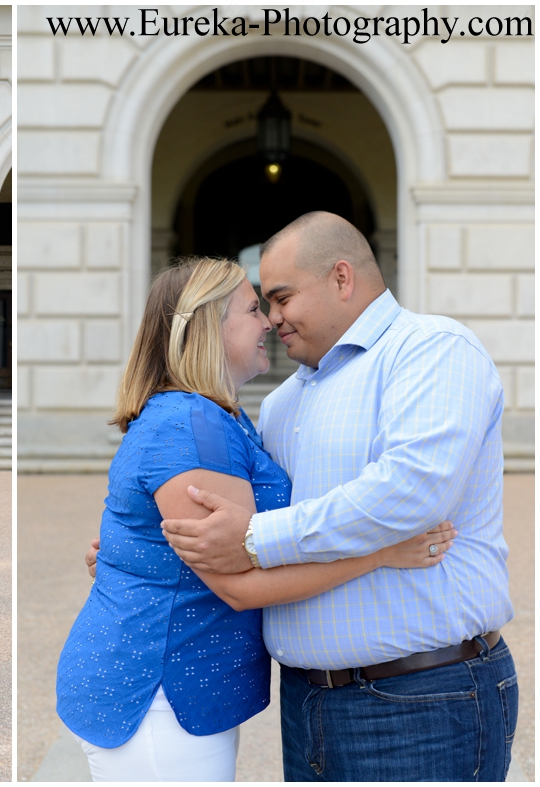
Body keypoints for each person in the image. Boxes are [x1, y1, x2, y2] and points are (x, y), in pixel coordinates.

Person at [59, 257, 455, 782]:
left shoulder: (216, 414)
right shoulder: (192, 421)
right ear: (208, 327)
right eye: (252, 309)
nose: (268, 320)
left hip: (170, 686)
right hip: (157, 694)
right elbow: (240, 586)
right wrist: (382, 554)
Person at [161, 212, 516, 781]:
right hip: (307, 704)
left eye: (281, 298)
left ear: (342, 278)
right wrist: (141, 547)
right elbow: (222, 515)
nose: (273, 320)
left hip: (425, 696)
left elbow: (411, 492)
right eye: (264, 306)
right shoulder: (280, 405)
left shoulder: (432, 349)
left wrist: (253, 539)